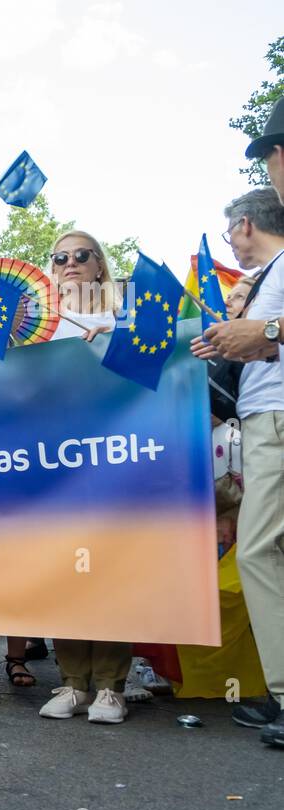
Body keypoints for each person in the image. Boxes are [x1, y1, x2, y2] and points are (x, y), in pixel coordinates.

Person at [193, 188, 284, 748]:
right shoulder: (268, 276)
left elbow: (268, 341)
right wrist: (235, 340)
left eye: (231, 233)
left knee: (254, 551)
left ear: (244, 225)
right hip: (261, 422)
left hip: (274, 420)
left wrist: (265, 332)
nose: (231, 244)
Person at [32, 231, 132, 721]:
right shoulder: (39, 326)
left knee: (110, 568)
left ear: (99, 265)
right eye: (60, 258)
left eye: (81, 255)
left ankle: (111, 686)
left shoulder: (124, 314)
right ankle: (73, 681)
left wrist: (114, 345)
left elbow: (154, 371)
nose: (70, 263)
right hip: (54, 461)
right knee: (63, 569)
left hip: (114, 457)